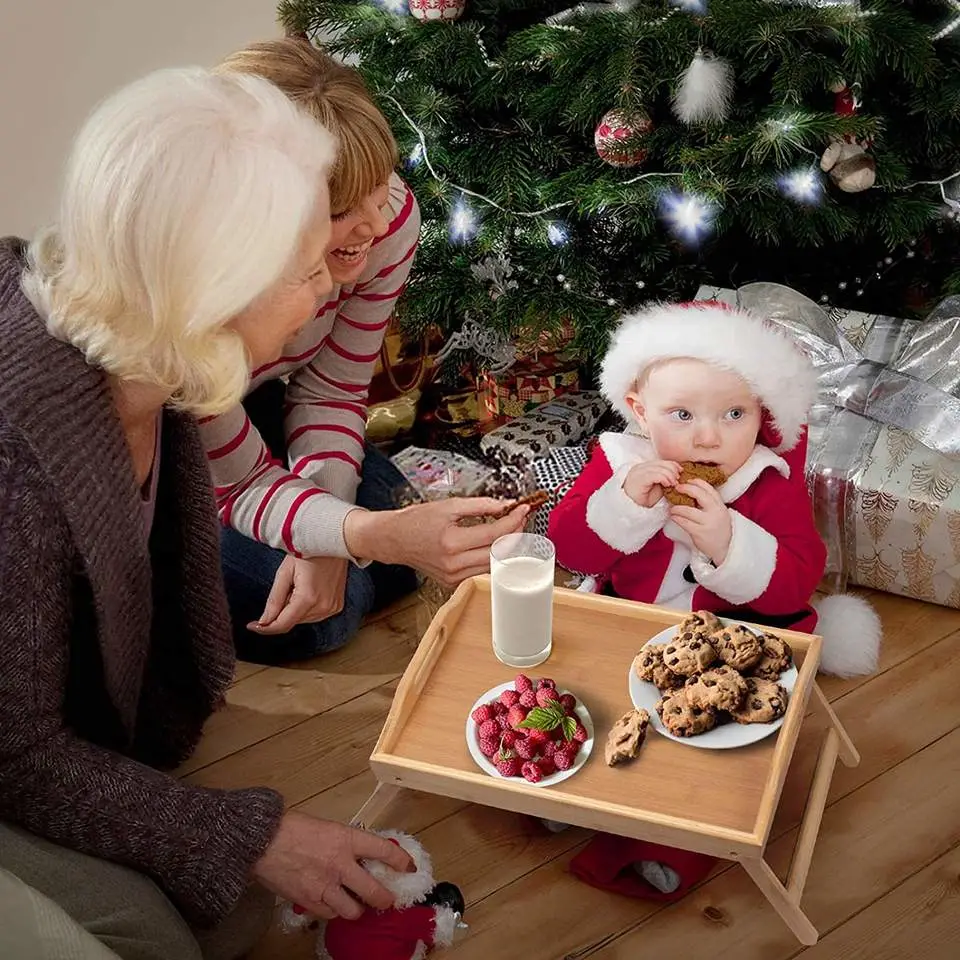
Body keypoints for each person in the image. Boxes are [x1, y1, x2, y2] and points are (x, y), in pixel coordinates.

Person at [0, 67, 418, 960]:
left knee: (228, 914)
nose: (324, 296)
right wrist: (246, 835)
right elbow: (13, 749)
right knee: (155, 938)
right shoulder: (19, 461)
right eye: (310, 271)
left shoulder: (157, 359)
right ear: (219, 292)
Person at [205, 37, 528, 664]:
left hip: (257, 400)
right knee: (325, 615)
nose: (377, 227)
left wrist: (328, 533)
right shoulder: (193, 303)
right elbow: (234, 477)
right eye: (343, 209)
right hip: (173, 442)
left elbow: (330, 389)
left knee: (400, 555)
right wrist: (340, 534)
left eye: (380, 189)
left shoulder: (386, 222)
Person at [548, 301, 880, 676]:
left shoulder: (767, 480)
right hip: (632, 624)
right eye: (683, 415)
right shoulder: (620, 461)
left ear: (761, 415)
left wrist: (729, 545)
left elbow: (796, 585)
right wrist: (622, 504)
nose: (707, 439)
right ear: (640, 411)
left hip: (735, 643)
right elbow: (570, 551)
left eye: (734, 414)